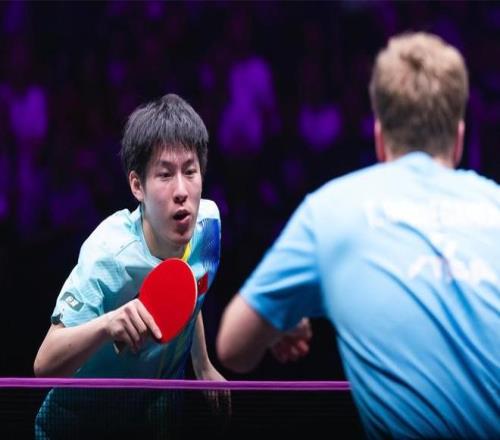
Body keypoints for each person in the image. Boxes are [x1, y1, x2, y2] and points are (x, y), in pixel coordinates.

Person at [217, 32, 500, 439]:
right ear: (459, 139)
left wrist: (281, 319)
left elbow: (233, 348)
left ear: (379, 138)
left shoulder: (329, 210)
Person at [34, 93, 228, 438]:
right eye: (165, 175)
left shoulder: (208, 225)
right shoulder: (108, 255)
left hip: (152, 418)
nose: (181, 190)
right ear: (137, 185)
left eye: (190, 171)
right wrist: (107, 324)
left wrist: (203, 364)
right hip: (79, 425)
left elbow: (191, 291)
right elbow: (44, 365)